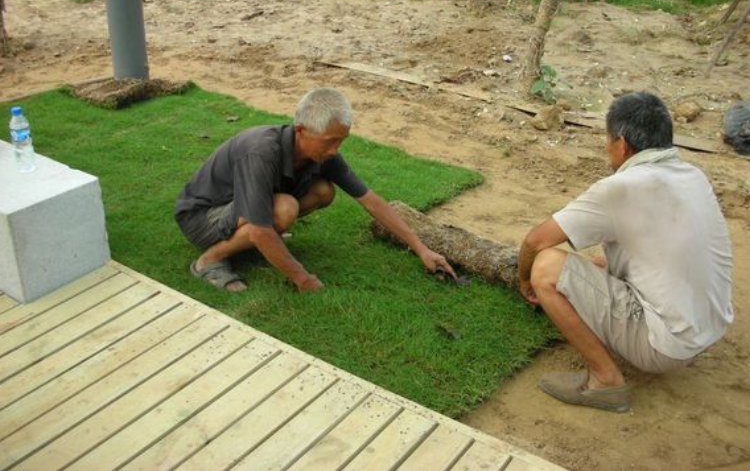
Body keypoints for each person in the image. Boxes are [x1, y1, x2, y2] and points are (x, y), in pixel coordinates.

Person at [518, 92, 733, 412]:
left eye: (606, 140)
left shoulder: (621, 187)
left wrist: (525, 281)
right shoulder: (693, 175)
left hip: (668, 347)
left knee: (546, 267)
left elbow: (536, 241)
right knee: (601, 262)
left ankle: (605, 381)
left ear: (621, 143)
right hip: (710, 326)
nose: (607, 148)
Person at [175, 87, 457, 293]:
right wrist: (304, 279)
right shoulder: (261, 151)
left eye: (340, 141)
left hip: (237, 211)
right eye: (329, 141)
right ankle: (209, 260)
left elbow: (370, 201)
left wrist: (422, 249)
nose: (335, 150)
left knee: (323, 190)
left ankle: (252, 245)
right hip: (202, 218)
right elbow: (261, 229)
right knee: (284, 209)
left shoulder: (323, 154)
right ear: (300, 130)